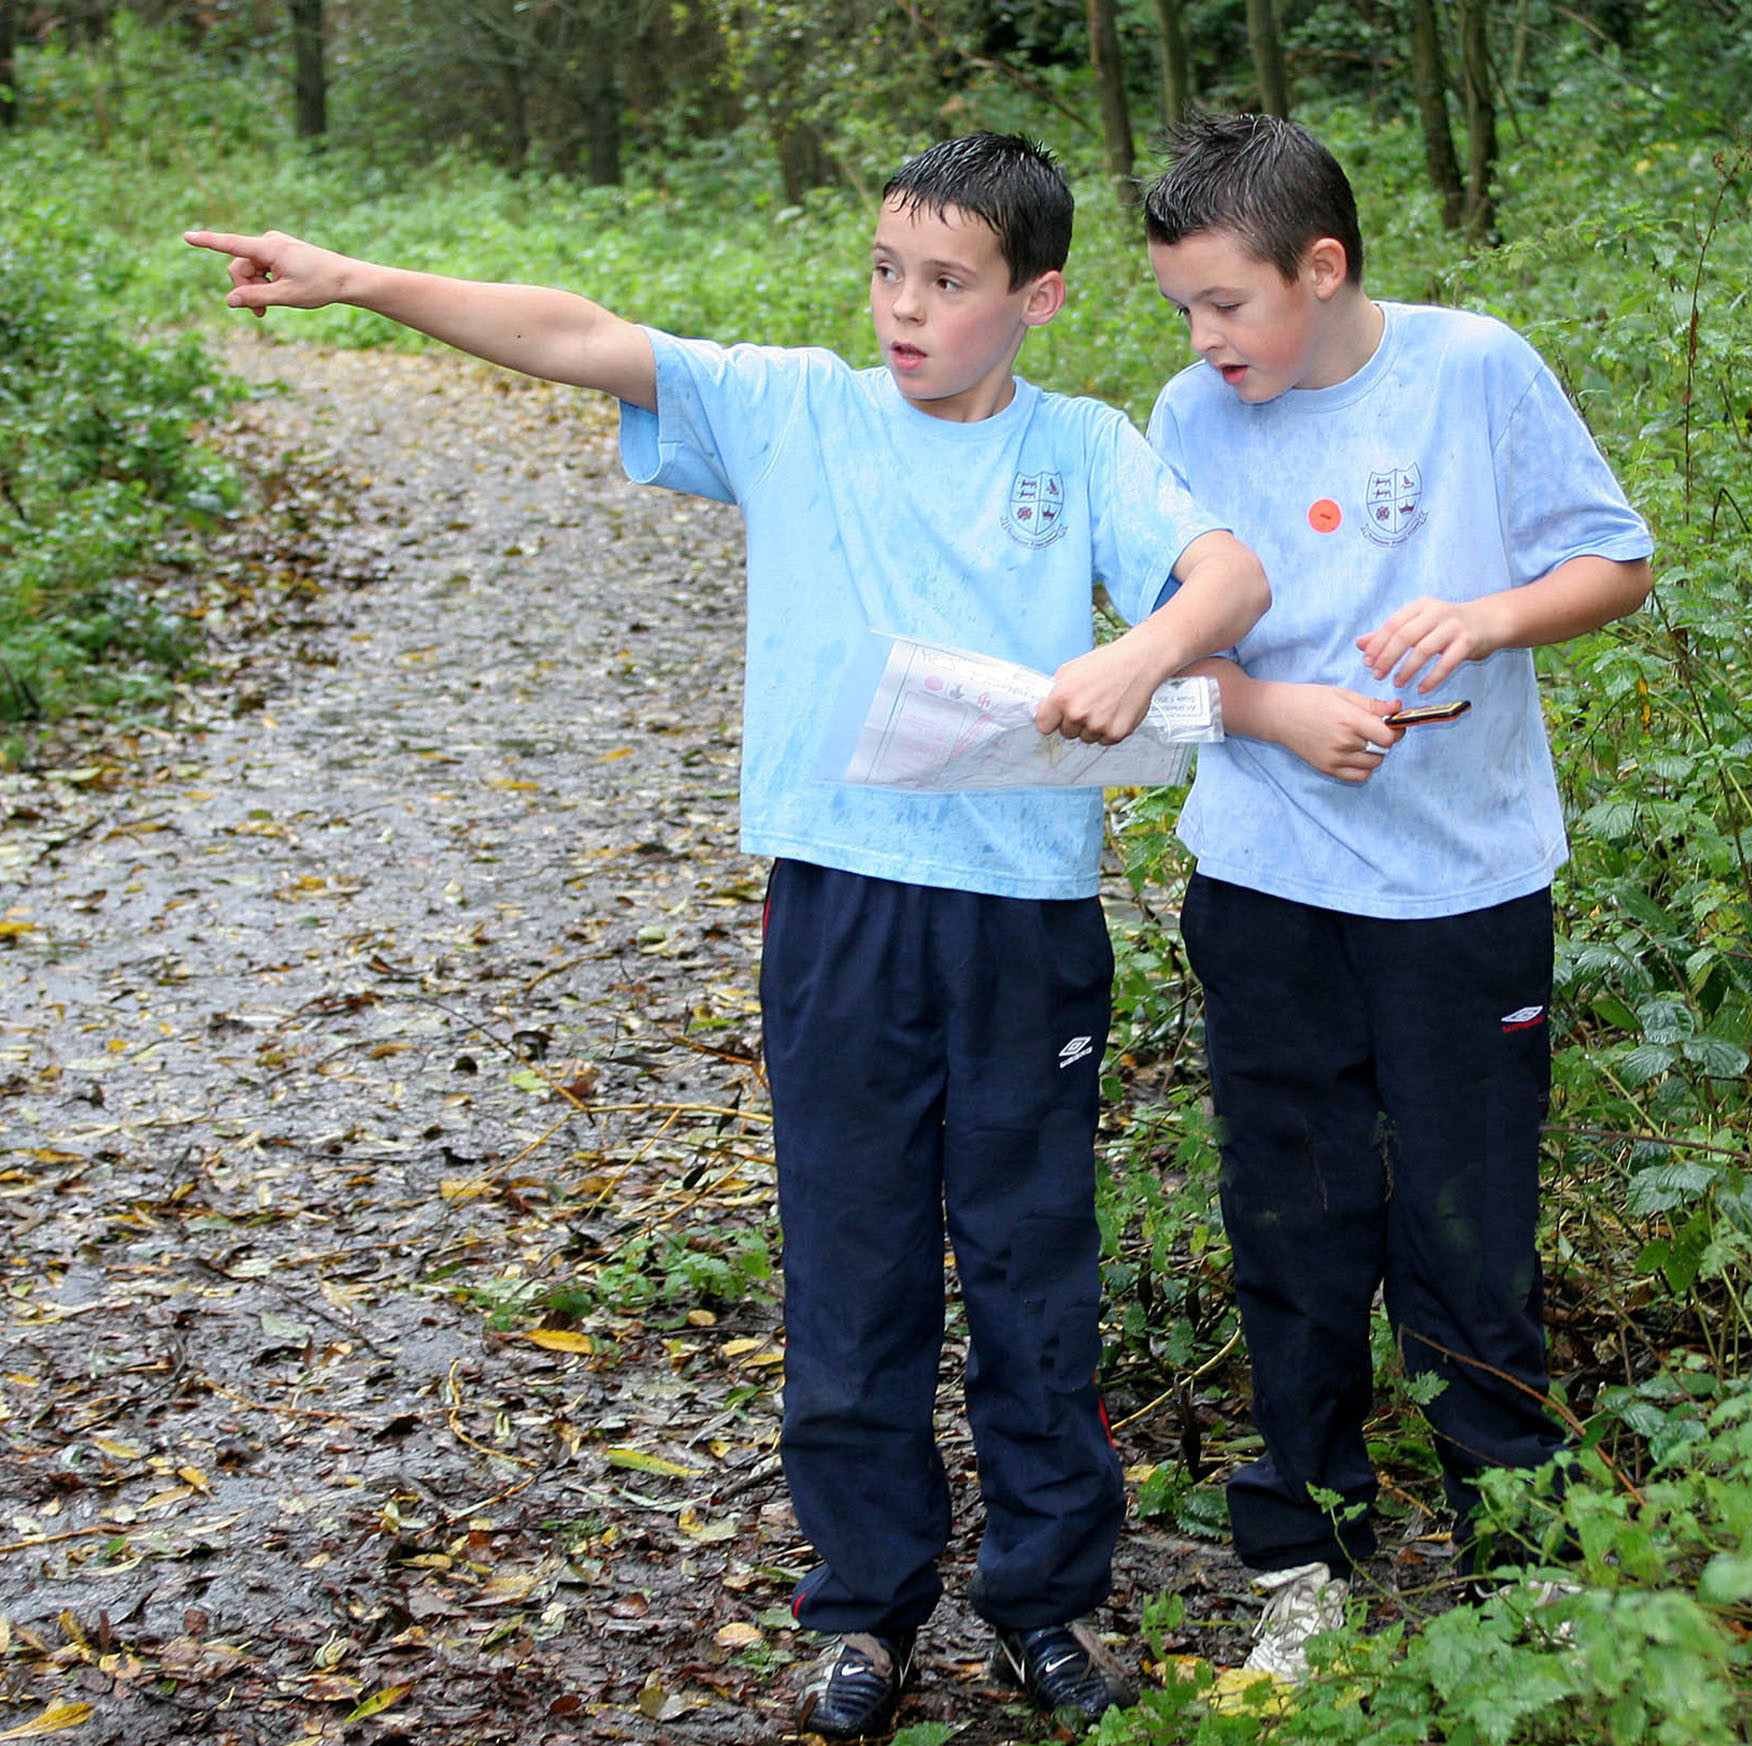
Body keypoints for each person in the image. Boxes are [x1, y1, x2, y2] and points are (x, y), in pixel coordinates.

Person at [189, 131, 1270, 1739]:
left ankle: (1045, 1599)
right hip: (839, 907)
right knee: (853, 1261)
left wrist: (1149, 650)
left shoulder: (1088, 445)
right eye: (888, 272)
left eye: (950, 283)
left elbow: (1227, 570)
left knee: (1034, 1268)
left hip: (1024, 926)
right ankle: (864, 1606)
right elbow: (571, 332)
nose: (907, 310)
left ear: (1038, 297)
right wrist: (353, 282)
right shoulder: (795, 409)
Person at [1139, 114, 1655, 1679]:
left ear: (1324, 265)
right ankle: (1304, 1548)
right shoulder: (1186, 415)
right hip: (1268, 883)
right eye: (1181, 310)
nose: (1204, 340)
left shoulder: (1475, 370)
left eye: (1228, 304)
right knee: (1292, 1221)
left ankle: (1517, 1547)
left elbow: (1617, 562)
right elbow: (1167, 658)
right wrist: (1274, 709)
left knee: (1468, 1221)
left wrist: (1490, 617)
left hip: (1466, 884)